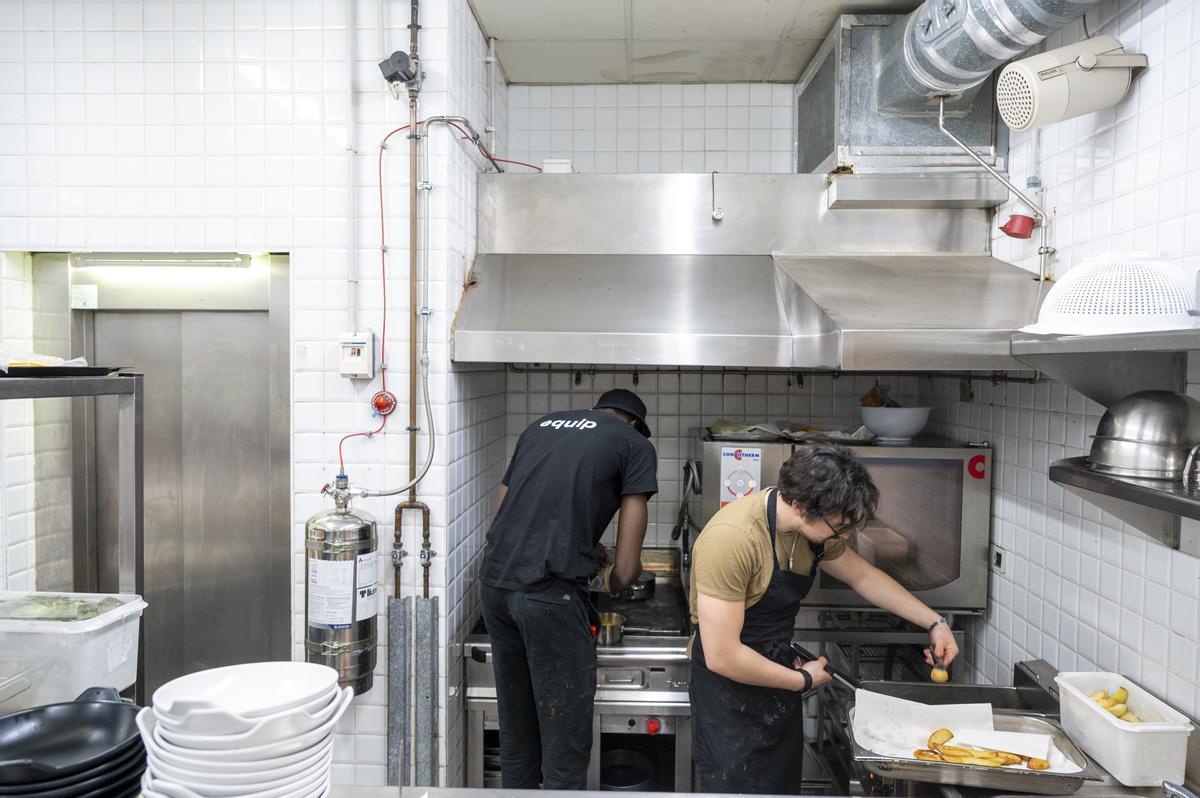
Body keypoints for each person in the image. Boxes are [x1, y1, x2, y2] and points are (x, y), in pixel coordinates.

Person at [688, 442, 959, 794]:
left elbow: (863, 577)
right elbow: (722, 655)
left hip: (778, 678)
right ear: (800, 505)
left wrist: (934, 623)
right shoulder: (733, 539)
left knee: (780, 787)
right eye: (839, 527)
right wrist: (800, 680)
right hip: (729, 695)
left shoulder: (811, 532)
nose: (844, 536)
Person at [480, 388, 658, 790]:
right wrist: (613, 580)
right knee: (565, 748)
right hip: (549, 598)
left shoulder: (540, 426)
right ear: (633, 423)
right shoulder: (634, 444)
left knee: (517, 732)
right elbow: (627, 569)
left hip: (494, 586)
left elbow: (504, 515)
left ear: (597, 411)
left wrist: (582, 546)